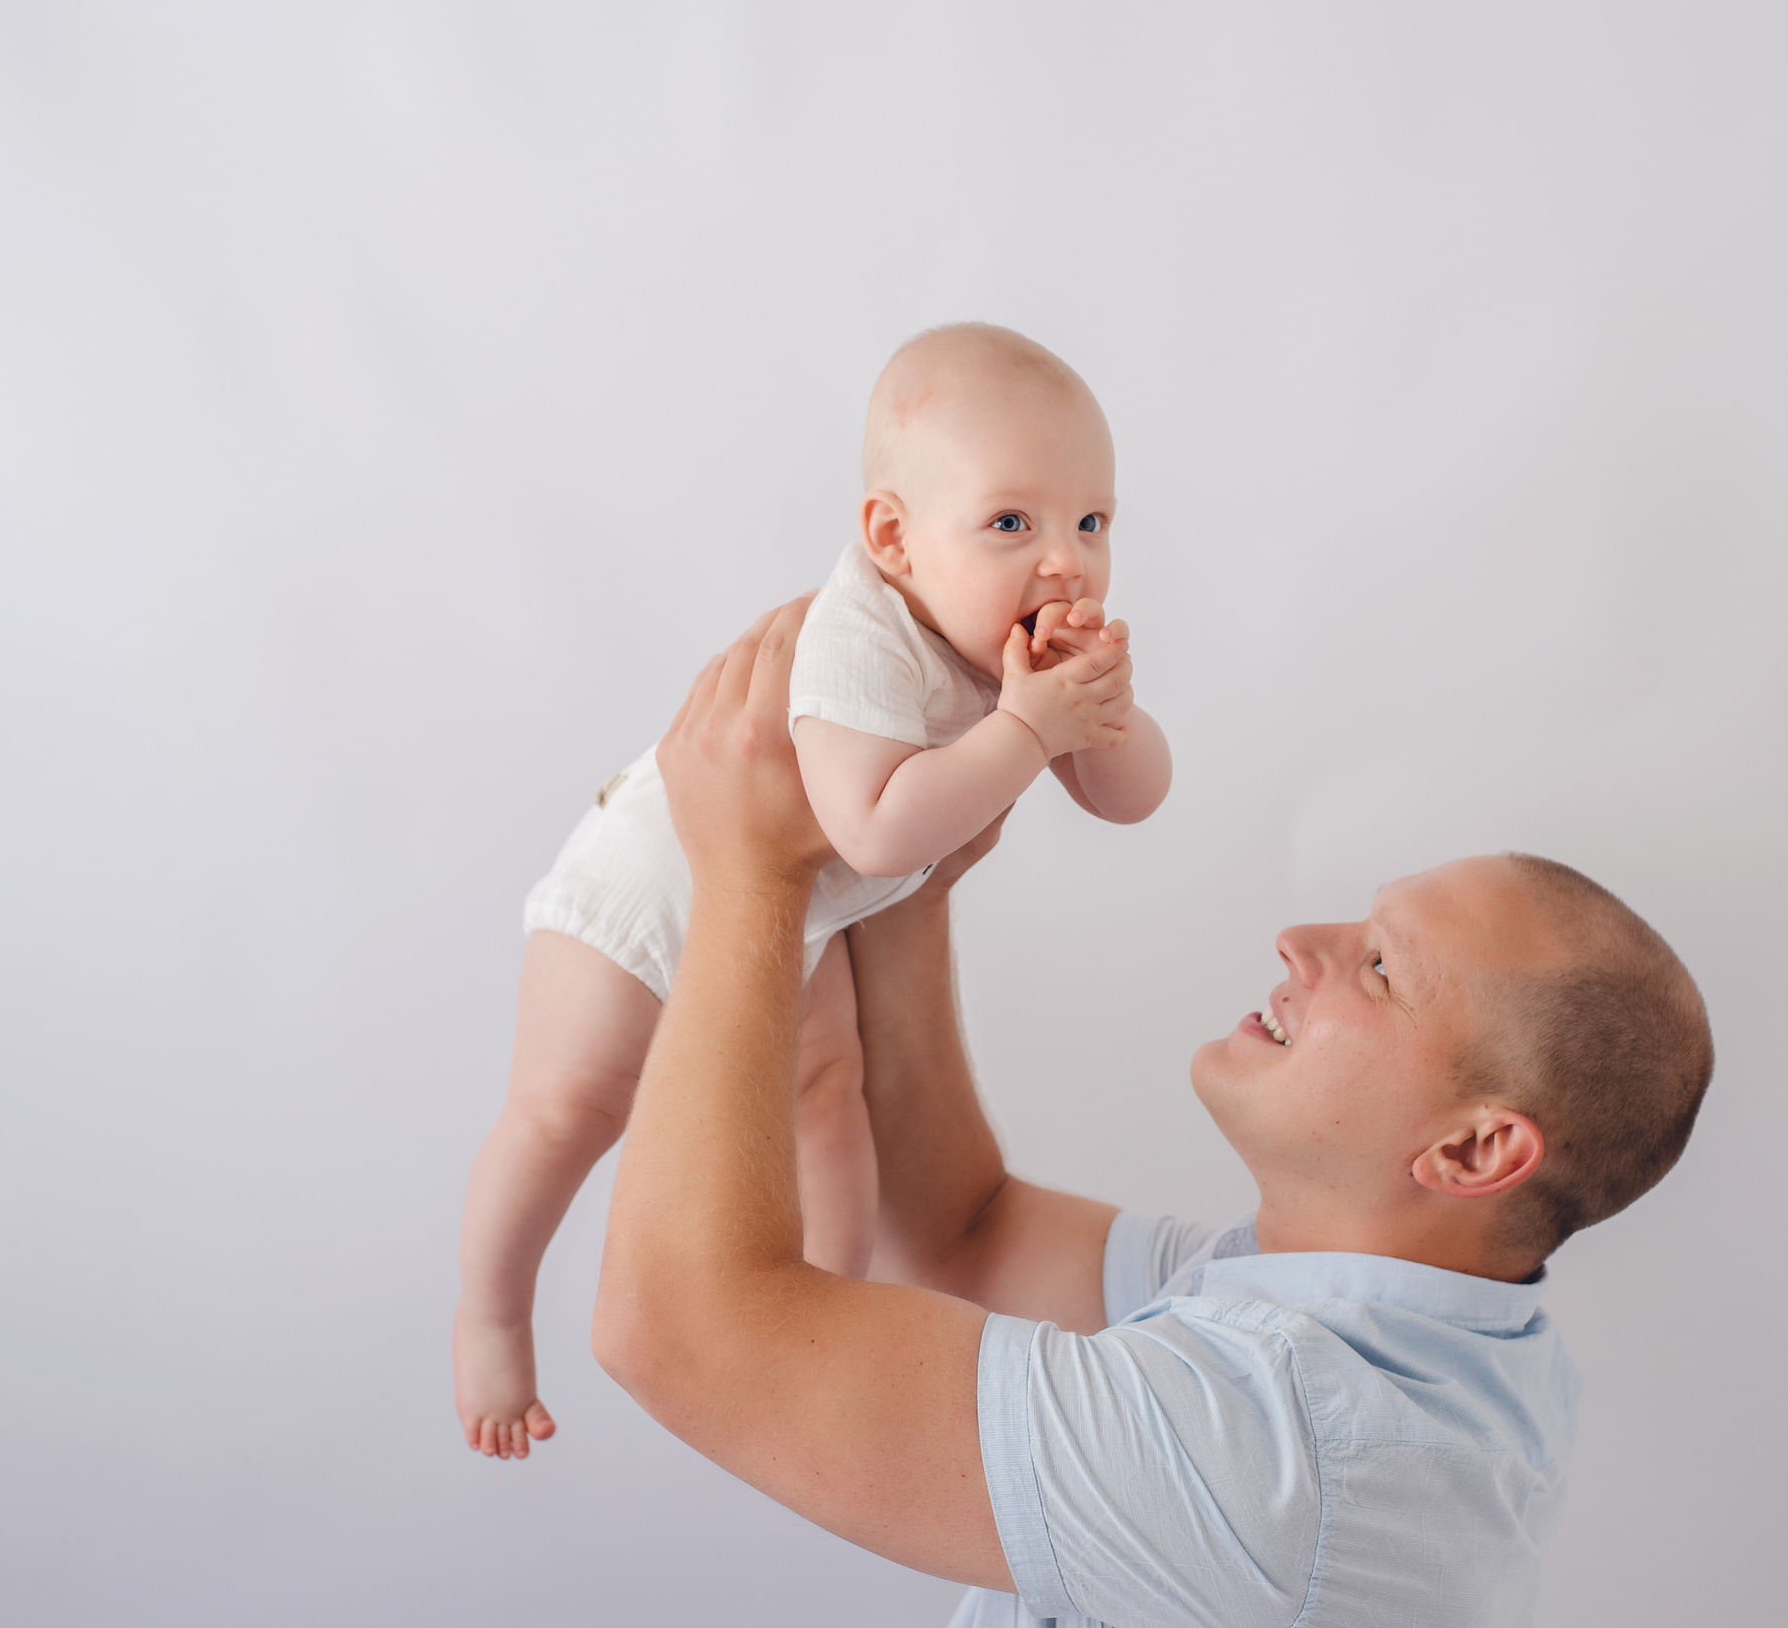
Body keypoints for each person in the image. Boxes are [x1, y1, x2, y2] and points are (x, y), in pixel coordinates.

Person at [595, 600, 1714, 1628]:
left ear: (1473, 1148)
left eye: (1378, 967)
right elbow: (962, 1229)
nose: (1301, 941)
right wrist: (913, 876)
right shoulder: (1422, 1331)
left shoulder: (1284, 1453)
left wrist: (746, 870)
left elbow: (676, 1332)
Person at [454, 325, 1174, 1459]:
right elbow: (875, 829)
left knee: (832, 1093)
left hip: (786, 917)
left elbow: (1131, 797)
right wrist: (1031, 730)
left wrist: (1098, 716)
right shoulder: (858, 636)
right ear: (891, 536)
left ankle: (819, 1314)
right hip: (640, 897)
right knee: (565, 1112)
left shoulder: (1010, 645)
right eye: (1011, 523)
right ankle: (490, 1312)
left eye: (1092, 522)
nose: (1064, 561)